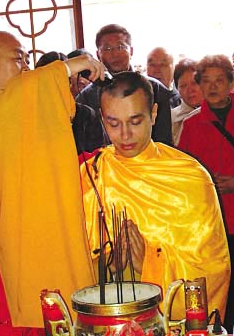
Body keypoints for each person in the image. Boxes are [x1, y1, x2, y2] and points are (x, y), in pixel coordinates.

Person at [0, 30, 105, 336]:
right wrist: (65, 67)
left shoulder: (11, 113)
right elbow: (8, 111)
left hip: (19, 240)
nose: (25, 68)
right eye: (18, 58)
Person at [80, 71, 230, 322]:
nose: (125, 135)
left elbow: (211, 269)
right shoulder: (91, 174)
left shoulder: (188, 176)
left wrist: (149, 263)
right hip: (105, 323)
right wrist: (107, 263)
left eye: (135, 121)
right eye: (113, 123)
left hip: (168, 330)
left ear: (154, 114)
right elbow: (69, 261)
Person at [178, 54, 234, 332]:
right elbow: (185, 174)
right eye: (207, 81)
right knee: (222, 286)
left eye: (219, 80)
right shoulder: (191, 124)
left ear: (230, 83)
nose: (213, 87)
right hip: (211, 222)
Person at [76, 24, 173, 146]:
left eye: (120, 47)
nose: (115, 54)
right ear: (98, 55)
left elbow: (164, 141)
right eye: (107, 49)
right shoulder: (85, 98)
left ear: (131, 51)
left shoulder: (155, 88)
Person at [172, 59, 203, 145]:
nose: (190, 90)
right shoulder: (170, 117)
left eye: (194, 83)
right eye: (183, 86)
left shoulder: (219, 112)